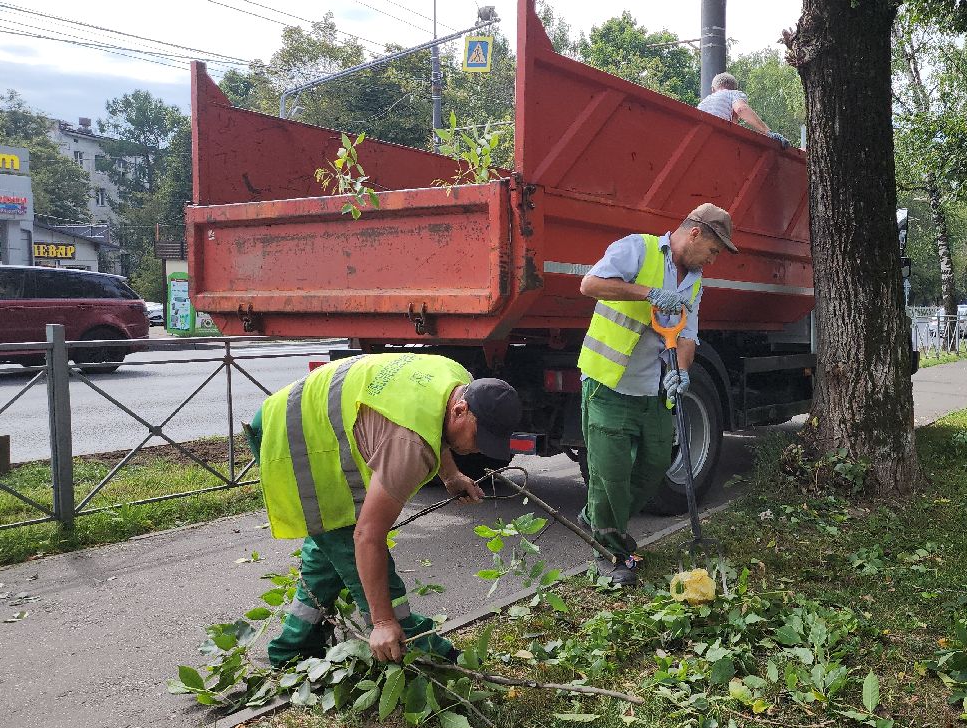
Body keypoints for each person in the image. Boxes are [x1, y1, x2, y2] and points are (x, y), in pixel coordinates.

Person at [244, 354, 521, 666]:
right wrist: (383, 623)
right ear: (461, 409)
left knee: (329, 555)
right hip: (293, 438)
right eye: (478, 437)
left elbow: (435, 424)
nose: (479, 448)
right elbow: (367, 537)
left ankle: (290, 652)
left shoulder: (457, 377)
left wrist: (451, 475)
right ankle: (426, 653)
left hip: (300, 416)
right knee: (355, 554)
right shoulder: (410, 447)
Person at [577, 203, 739, 586]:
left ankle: (596, 518)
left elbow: (687, 335)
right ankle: (611, 553)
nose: (713, 260)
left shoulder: (695, 281)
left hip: (653, 389)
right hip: (608, 384)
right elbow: (591, 285)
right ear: (696, 233)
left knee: (654, 469)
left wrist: (681, 374)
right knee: (611, 476)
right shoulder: (638, 249)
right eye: (714, 250)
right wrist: (649, 293)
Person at [696, 72, 790, 147]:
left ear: (712, 89)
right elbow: (741, 109)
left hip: (699, 138)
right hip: (718, 138)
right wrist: (768, 132)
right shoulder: (733, 93)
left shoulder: (702, 103)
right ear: (735, 88)